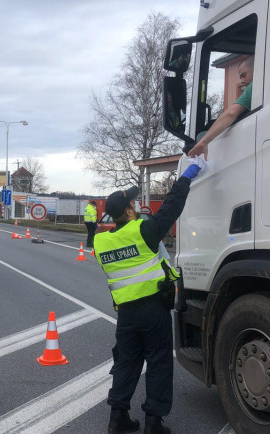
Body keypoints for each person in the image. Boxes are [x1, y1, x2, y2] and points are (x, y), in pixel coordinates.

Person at [94, 164, 201, 434]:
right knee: (159, 362)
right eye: (132, 202)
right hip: (153, 310)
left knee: (126, 362)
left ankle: (117, 419)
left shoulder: (101, 242)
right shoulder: (143, 231)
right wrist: (186, 177)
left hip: (126, 314)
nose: (135, 204)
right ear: (129, 210)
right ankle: (154, 423)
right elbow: (171, 207)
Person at [188, 55, 254, 160]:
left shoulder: (254, 86)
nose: (241, 80)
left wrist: (203, 142)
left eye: (243, 75)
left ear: (256, 70)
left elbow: (231, 113)